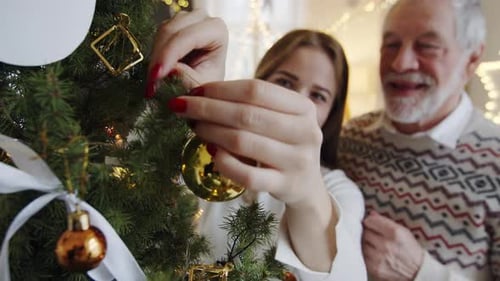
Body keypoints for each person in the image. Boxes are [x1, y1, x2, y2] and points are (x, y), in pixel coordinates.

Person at [146, 10, 366, 281]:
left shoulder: (338, 190)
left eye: (318, 95)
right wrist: (187, 94)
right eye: (284, 82)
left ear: (332, 113)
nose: (296, 101)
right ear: (261, 80)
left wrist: (308, 198)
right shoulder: (206, 151)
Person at [337, 0, 500, 280]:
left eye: (427, 46)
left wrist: (420, 272)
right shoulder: (351, 137)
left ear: (472, 60)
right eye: (391, 45)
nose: (401, 63)